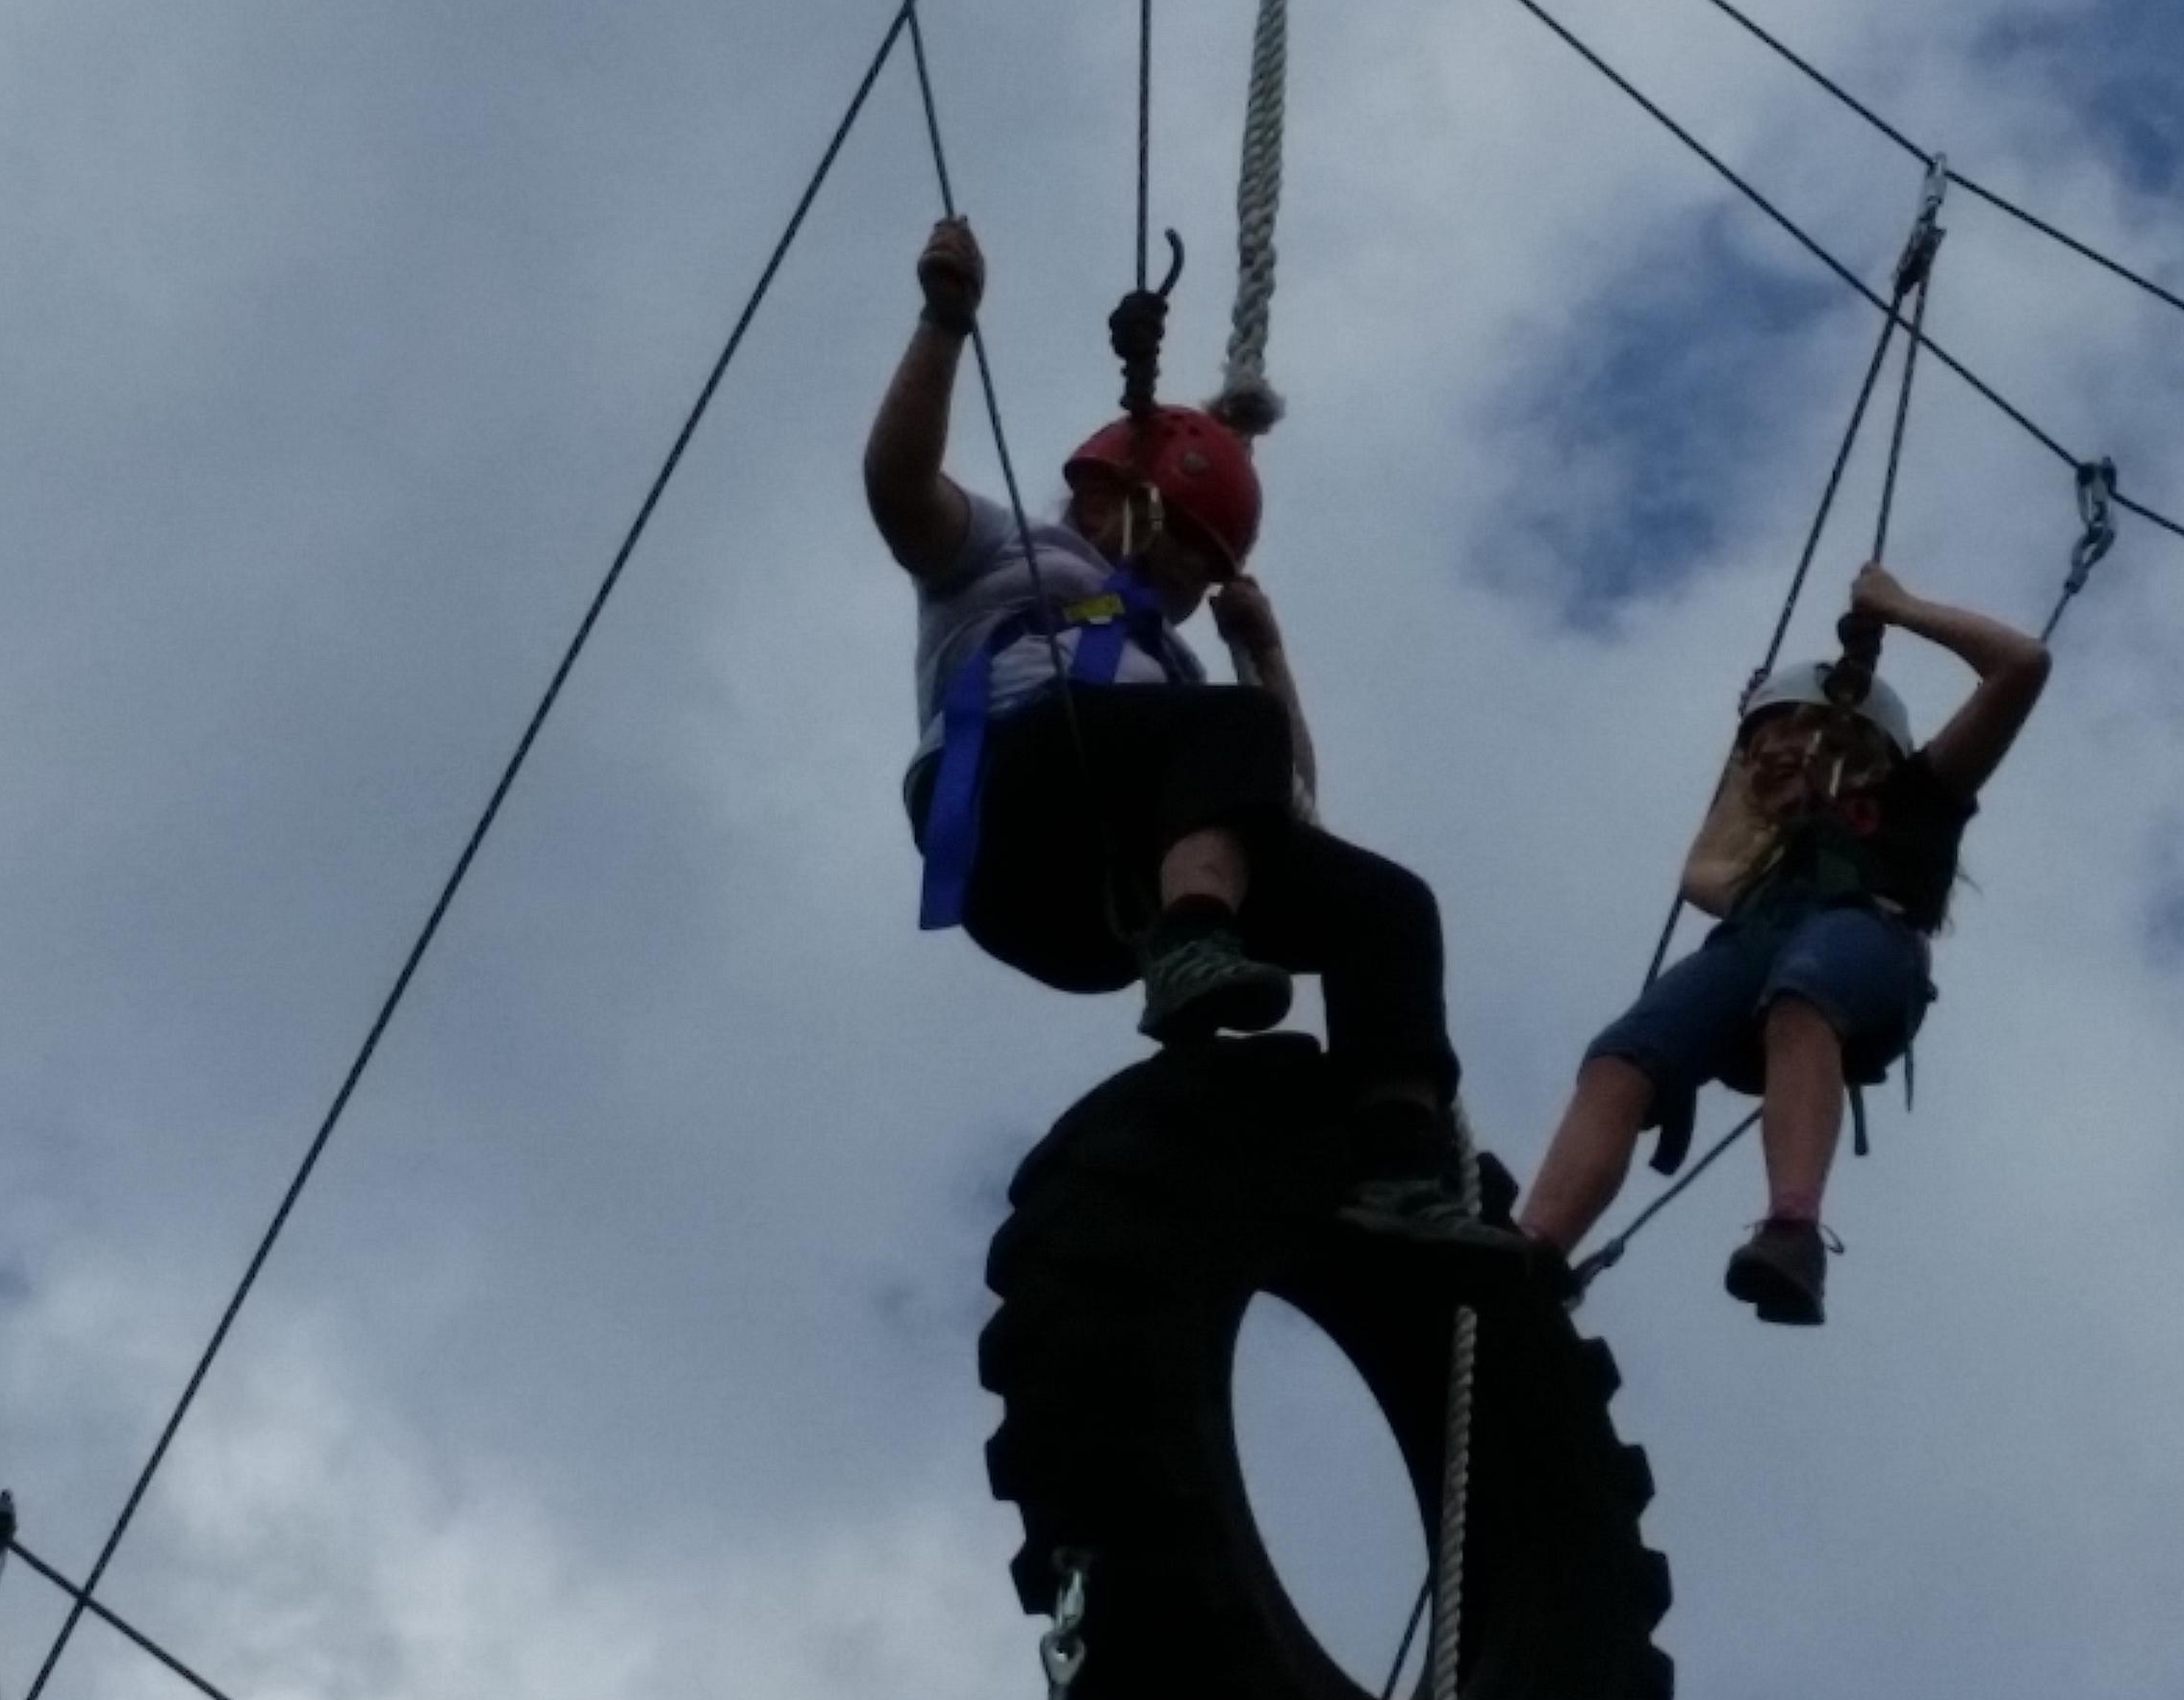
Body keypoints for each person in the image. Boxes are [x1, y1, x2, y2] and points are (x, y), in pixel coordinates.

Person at [869, 214, 1517, 1257]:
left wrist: (1264, 651)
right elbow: (899, 490)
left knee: (1389, 908)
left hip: (1107, 884)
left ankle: (1399, 1164)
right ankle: (1193, 940)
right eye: (1186, 552)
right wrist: (945, 324)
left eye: (1206, 572)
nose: (1187, 588)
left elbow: (1285, 797)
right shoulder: (1009, 550)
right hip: (1017, 796)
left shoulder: (1178, 676)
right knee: (1220, 729)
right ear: (1107, 496)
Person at [1514, 562, 2052, 1322]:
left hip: (1861, 947)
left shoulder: (1916, 797)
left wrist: (1898, 610)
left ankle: (1792, 1230)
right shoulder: (1763, 874)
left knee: (1805, 988)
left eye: (1794, 735)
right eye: (1759, 747)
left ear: (1858, 747)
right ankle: (1536, 1247)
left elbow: (2022, 665)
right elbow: (1703, 872)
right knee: (1624, 1052)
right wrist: (1760, 741)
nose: (1769, 756)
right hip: (1759, 957)